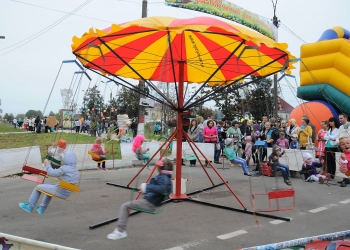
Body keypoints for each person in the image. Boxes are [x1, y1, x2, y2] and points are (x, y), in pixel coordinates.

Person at [107, 159, 173, 240]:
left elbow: (163, 189)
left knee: (125, 206)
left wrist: (145, 187)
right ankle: (120, 230)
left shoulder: (164, 178)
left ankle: (120, 231)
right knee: (126, 206)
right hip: (150, 201)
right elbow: (158, 190)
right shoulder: (164, 178)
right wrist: (145, 191)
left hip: (149, 203)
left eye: (158, 167)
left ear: (160, 169)